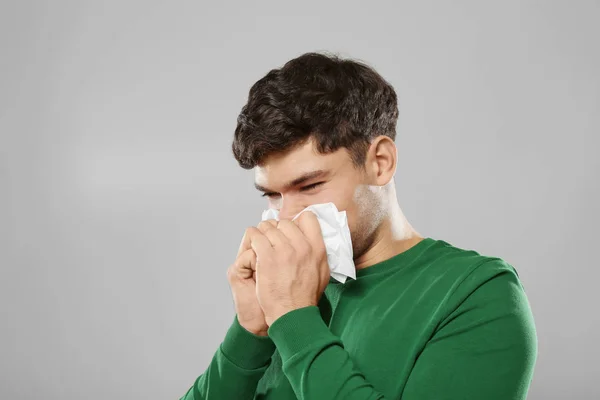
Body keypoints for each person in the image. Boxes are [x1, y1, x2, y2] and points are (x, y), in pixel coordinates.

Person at [180, 52, 537, 399]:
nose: (286, 217)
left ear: (380, 162)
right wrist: (249, 331)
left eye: (310, 186)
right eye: (272, 195)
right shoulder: (283, 288)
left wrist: (293, 319)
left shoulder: (477, 295)